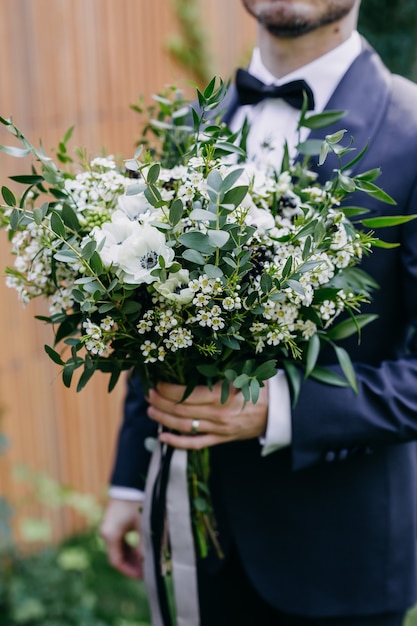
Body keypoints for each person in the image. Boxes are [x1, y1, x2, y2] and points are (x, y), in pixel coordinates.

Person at [100, 1, 417, 624]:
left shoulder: (411, 130)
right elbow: (149, 313)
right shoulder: (190, 125)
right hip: (196, 545)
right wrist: (131, 481)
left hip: (340, 564)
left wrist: (277, 409)